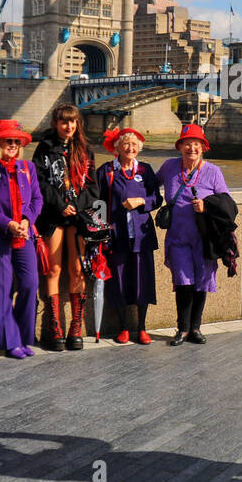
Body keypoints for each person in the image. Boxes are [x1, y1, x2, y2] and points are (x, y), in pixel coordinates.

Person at [0, 119, 43, 359]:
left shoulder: (27, 168)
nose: (13, 145)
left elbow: (37, 199)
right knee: (2, 289)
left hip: (24, 235)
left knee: (29, 283)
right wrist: (8, 224)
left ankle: (24, 337)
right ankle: (8, 341)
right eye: (8, 141)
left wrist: (26, 220)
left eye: (16, 141)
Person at [157, 123, 231, 346]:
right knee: (183, 282)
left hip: (204, 239)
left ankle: (196, 328)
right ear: (180, 147)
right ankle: (182, 329)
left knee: (200, 282)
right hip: (178, 237)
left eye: (196, 144)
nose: (192, 148)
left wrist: (207, 206)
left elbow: (228, 205)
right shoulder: (169, 167)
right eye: (187, 143)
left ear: (203, 147)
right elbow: (149, 185)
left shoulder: (213, 172)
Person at [33, 104, 98, 351]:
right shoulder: (44, 148)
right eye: (63, 122)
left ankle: (76, 327)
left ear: (77, 123)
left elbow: (93, 187)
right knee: (53, 269)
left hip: (78, 217)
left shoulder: (85, 150)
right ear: (55, 124)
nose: (68, 126)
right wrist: (60, 204)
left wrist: (76, 205)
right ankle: (55, 327)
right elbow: (38, 182)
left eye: (72, 122)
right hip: (52, 215)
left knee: (77, 269)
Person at [94, 127, 162, 344]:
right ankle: (123, 327)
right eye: (126, 144)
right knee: (120, 281)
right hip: (117, 235)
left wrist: (141, 202)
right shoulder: (106, 171)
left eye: (134, 144)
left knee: (143, 280)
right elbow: (98, 204)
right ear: (117, 148)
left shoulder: (145, 170)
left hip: (142, 235)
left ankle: (141, 327)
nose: (130, 148)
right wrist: (101, 230)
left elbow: (156, 199)